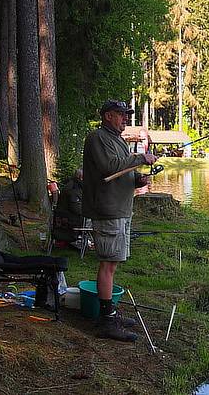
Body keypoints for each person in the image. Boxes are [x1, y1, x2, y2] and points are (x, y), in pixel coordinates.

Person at [83, 100, 158, 342]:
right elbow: (108, 168)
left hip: (122, 209)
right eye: (121, 115)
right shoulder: (97, 137)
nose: (125, 118)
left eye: (127, 115)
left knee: (113, 263)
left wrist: (138, 180)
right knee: (108, 263)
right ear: (107, 116)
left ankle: (110, 313)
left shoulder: (118, 141)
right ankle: (107, 320)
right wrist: (139, 158)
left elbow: (121, 172)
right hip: (108, 210)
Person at [53, 168, 85, 245]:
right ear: (81, 178)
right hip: (69, 223)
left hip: (62, 220)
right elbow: (76, 209)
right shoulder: (74, 190)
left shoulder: (70, 185)